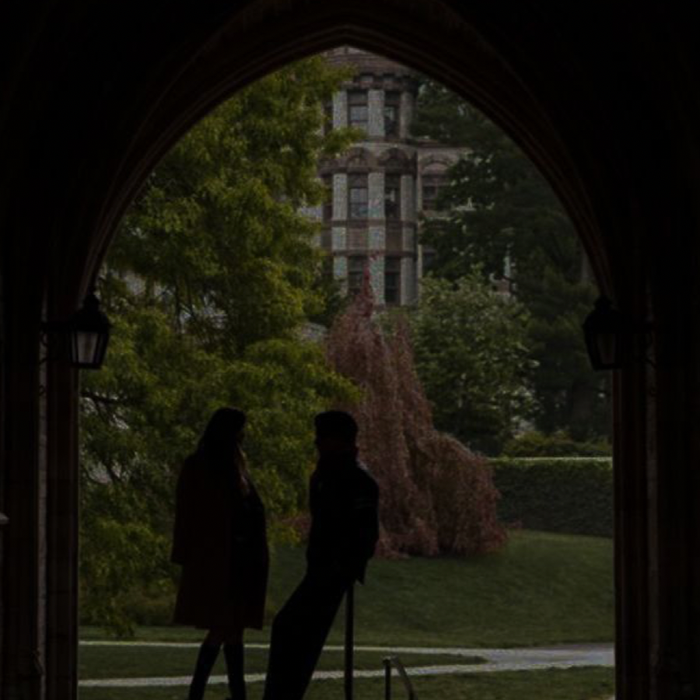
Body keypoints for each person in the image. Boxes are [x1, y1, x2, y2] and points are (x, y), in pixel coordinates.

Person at [262, 410, 379, 700]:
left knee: (291, 629)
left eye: (323, 436)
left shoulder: (356, 480)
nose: (317, 441)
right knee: (292, 632)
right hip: (322, 567)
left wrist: (343, 565)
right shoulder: (327, 473)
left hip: (332, 570)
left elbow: (365, 534)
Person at [172, 408, 268, 700]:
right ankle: (207, 692)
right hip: (220, 561)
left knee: (232, 629)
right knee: (224, 627)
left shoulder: (231, 468)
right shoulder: (205, 467)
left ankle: (228, 693)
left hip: (237, 562)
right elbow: (190, 513)